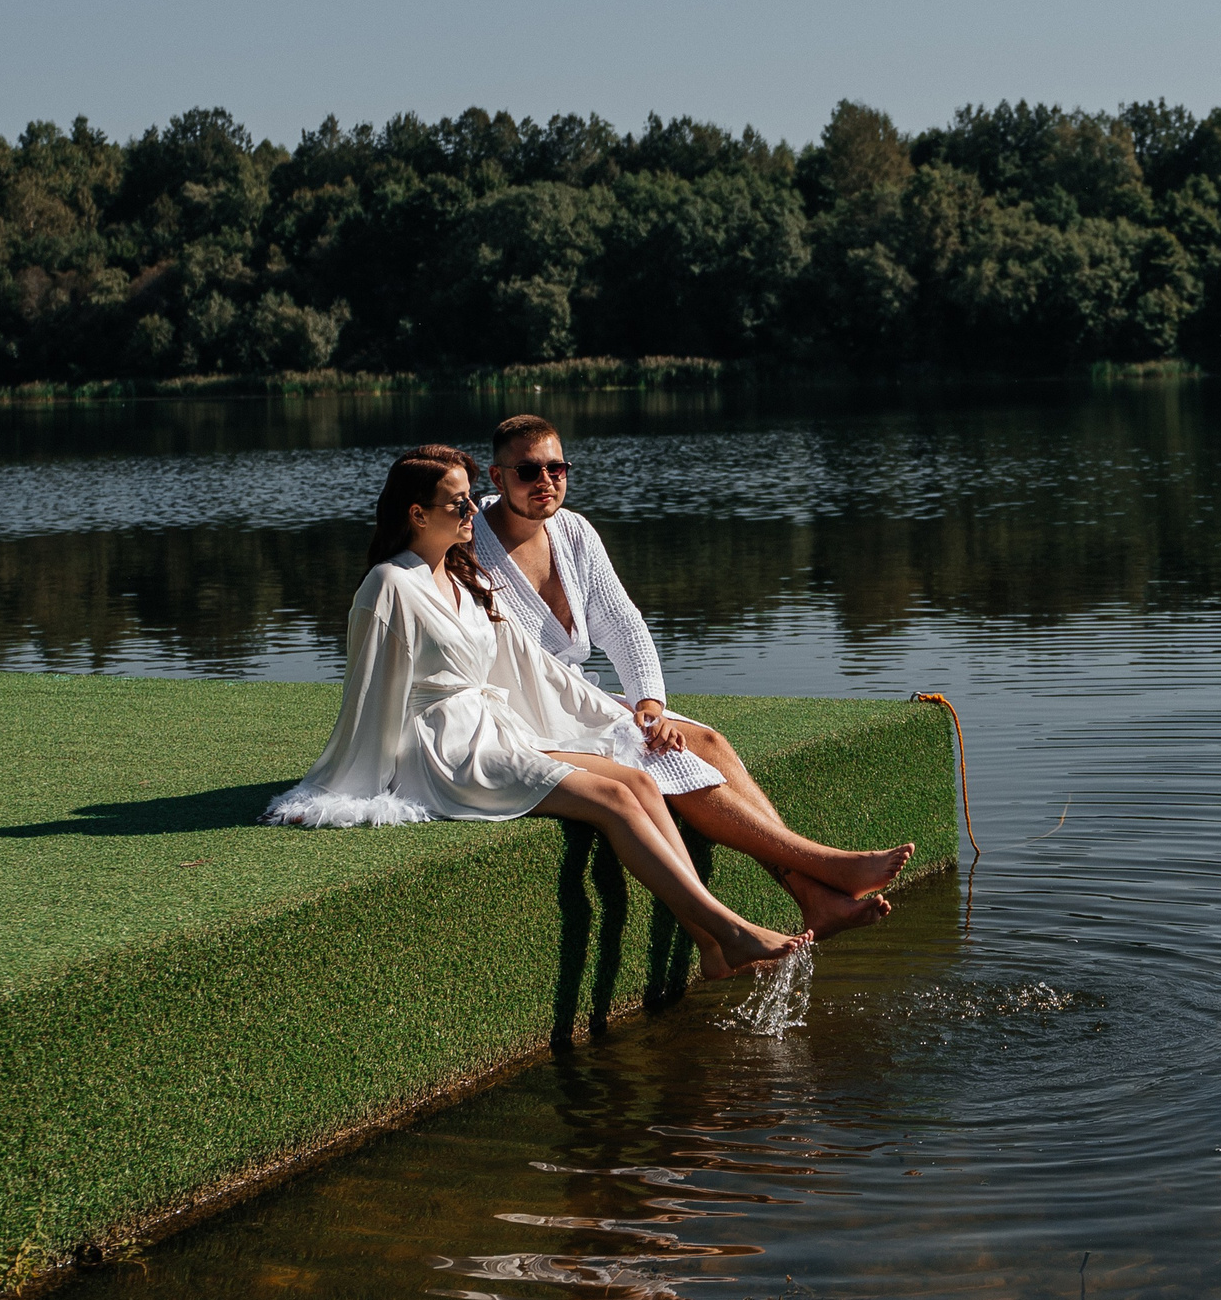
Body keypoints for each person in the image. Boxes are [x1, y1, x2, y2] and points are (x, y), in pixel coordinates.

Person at [263, 444, 812, 980]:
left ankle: (711, 944)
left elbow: (531, 669)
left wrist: (623, 716)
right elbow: (367, 694)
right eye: (458, 503)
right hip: (444, 751)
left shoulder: (460, 577)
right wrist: (357, 784)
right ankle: (731, 931)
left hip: (497, 732)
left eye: (471, 498)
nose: (472, 511)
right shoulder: (388, 585)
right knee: (615, 798)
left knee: (639, 782)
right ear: (417, 513)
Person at [472, 414, 911, 939]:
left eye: (557, 468)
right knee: (669, 759)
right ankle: (824, 868)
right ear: (497, 479)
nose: (546, 482)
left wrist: (648, 705)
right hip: (525, 717)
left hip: (575, 700)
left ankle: (813, 895)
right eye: (528, 471)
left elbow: (623, 623)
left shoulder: (573, 532)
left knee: (708, 740)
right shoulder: (469, 545)